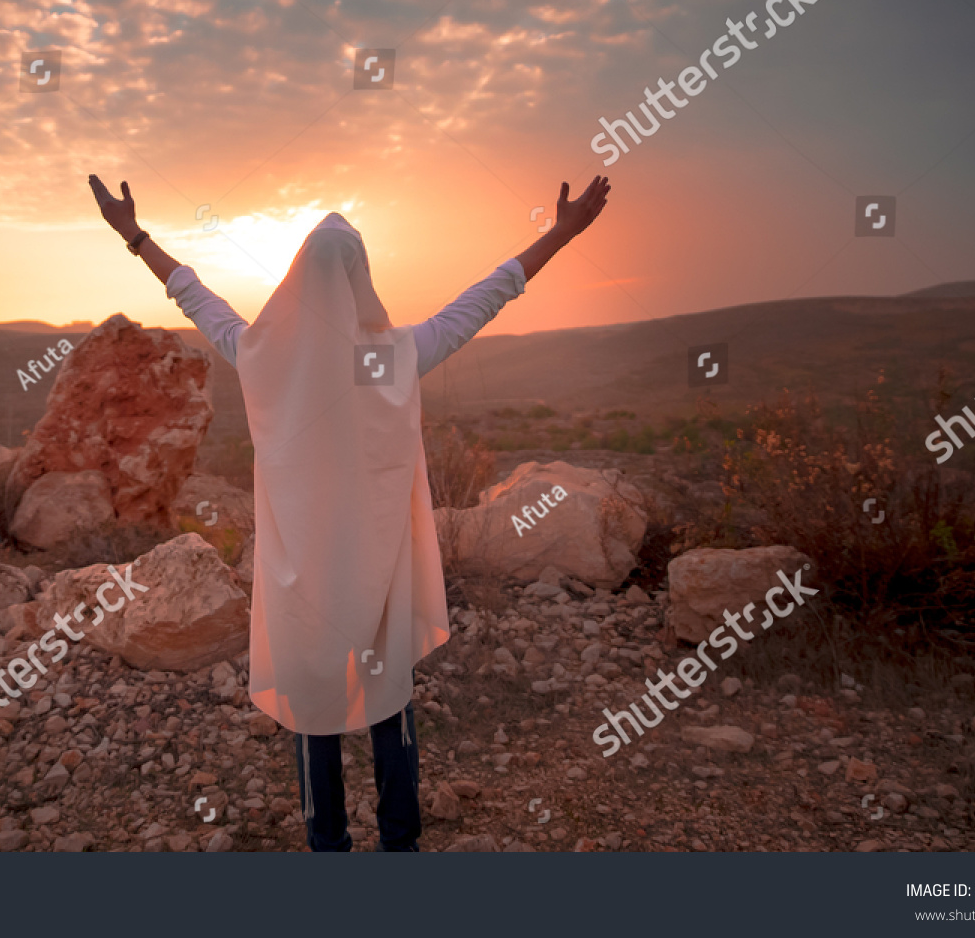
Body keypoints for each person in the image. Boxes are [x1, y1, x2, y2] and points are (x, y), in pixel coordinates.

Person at [88, 174, 611, 851]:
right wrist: (562, 233)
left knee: (314, 715)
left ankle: (326, 845)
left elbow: (195, 296)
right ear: (361, 277)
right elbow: (485, 297)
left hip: (301, 580)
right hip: (379, 576)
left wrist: (134, 235)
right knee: (389, 706)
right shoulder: (387, 359)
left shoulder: (263, 356)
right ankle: (400, 843)